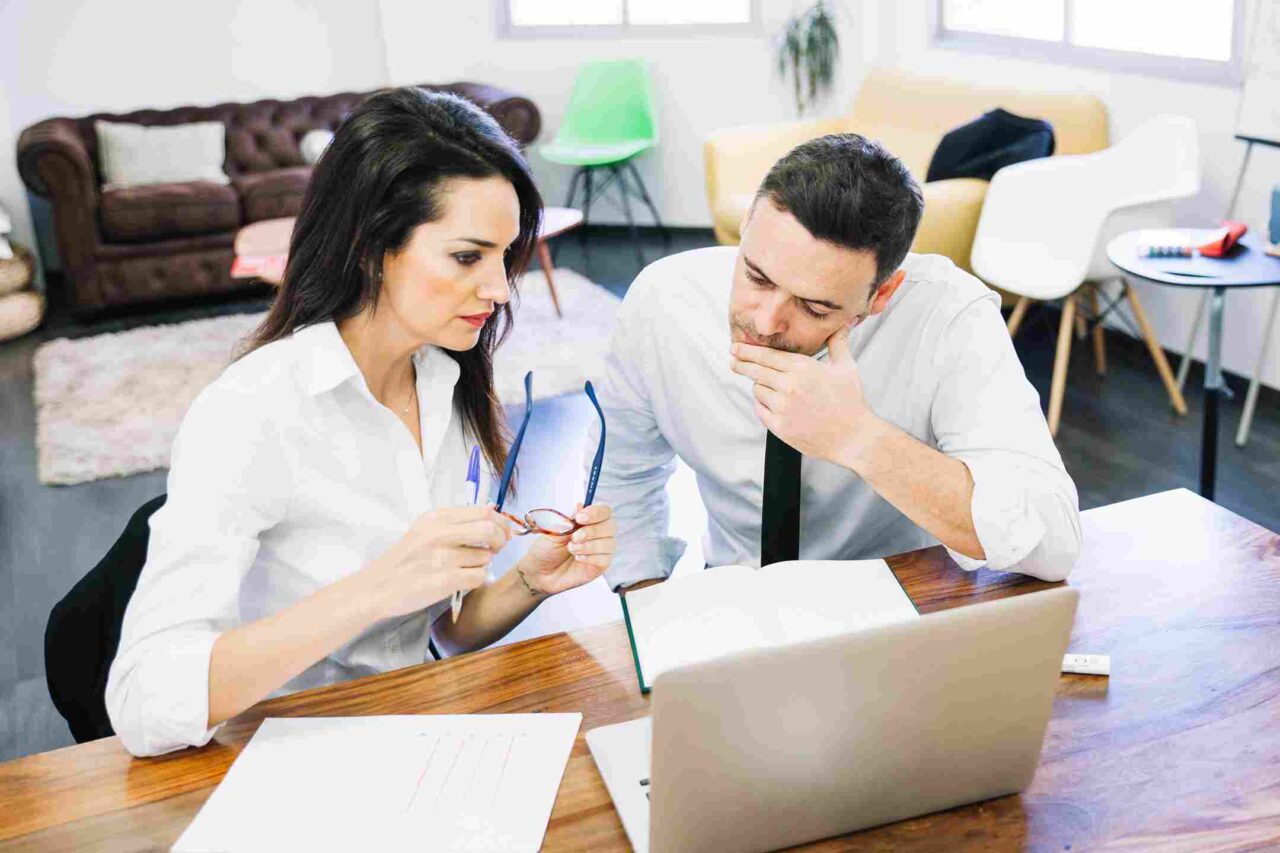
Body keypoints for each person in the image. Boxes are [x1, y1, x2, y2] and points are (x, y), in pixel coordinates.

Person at [106, 89, 616, 757]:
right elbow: (144, 699)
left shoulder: (448, 383)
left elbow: (440, 630)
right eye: (468, 257)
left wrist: (529, 579)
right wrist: (374, 588)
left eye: (505, 255)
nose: (499, 289)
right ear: (372, 245)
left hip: (415, 731)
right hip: (283, 756)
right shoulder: (252, 410)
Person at [592, 133, 1080, 593]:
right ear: (745, 230)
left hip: (901, 596)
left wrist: (858, 438)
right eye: (757, 277)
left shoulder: (947, 316)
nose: (765, 321)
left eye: (815, 307)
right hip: (729, 594)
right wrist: (648, 613)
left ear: (882, 293)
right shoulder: (663, 300)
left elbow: (1053, 543)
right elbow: (625, 478)